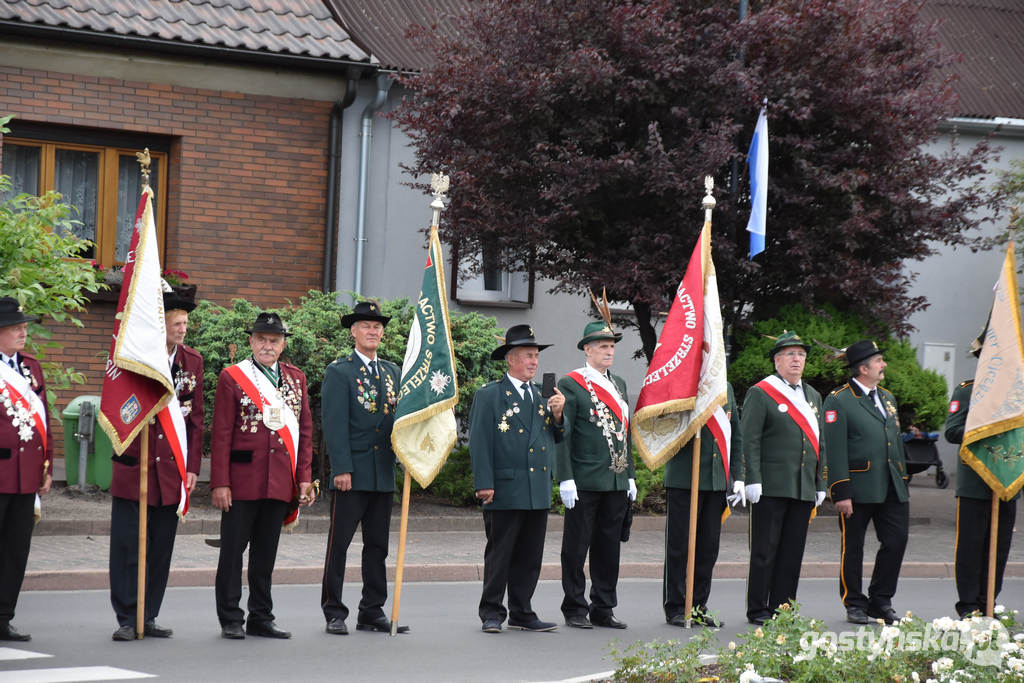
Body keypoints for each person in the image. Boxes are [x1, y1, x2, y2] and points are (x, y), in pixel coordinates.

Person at [211, 311, 315, 640]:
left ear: (283, 345)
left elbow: (306, 432)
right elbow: (222, 433)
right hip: (242, 480)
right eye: (261, 339)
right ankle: (230, 617)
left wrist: (303, 478)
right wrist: (220, 483)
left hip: (280, 480)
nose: (267, 346)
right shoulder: (233, 377)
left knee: (265, 554)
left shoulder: (296, 378)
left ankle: (261, 615)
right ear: (251, 341)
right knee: (232, 552)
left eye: (274, 341)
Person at [109, 291, 204, 641]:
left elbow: (196, 419)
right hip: (137, 466)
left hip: (171, 469)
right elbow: (119, 406)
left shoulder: (192, 361)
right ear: (160, 324)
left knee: (161, 547)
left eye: (185, 323)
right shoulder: (136, 358)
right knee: (128, 546)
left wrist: (192, 466)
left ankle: (148, 615)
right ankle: (126, 616)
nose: (183, 329)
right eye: (176, 323)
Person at [470, 324, 565, 633]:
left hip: (535, 489)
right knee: (500, 554)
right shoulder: (491, 395)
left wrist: (559, 415)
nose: (534, 361)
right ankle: (492, 612)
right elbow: (480, 441)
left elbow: (556, 438)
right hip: (505, 488)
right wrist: (484, 483)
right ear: (510, 359)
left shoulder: (541, 397)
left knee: (529, 556)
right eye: (528, 355)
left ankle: (522, 611)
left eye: (536, 355)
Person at [320, 300, 408, 635]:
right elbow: (334, 424)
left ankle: (372, 610)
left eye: (377, 327)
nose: (372, 331)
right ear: (353, 332)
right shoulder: (339, 371)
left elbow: (400, 419)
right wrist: (341, 467)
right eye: (365, 326)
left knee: (377, 547)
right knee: (338, 545)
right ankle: (334, 610)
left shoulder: (392, 372)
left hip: (382, 471)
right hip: (352, 473)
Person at [740, 330, 826, 626]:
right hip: (770, 486)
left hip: (802, 486)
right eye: (790, 354)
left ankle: (783, 608)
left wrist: (820, 483)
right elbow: (749, 439)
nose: (796, 359)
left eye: (801, 354)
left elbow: (820, 442)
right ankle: (758, 608)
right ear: (777, 360)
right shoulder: (761, 392)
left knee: (792, 552)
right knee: (764, 550)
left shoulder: (813, 396)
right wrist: (752, 478)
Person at [556, 321, 635, 630]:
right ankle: (575, 606)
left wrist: (630, 475)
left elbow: (624, 433)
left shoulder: (620, 385)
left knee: (608, 547)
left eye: (612, 345)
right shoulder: (571, 383)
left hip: (614, 479)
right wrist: (566, 477)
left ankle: (603, 606)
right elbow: (564, 432)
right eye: (602, 345)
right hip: (585, 480)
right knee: (576, 547)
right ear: (587, 349)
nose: (609, 350)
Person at [824, 339, 909, 625]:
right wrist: (840, 491)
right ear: (863, 368)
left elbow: (893, 441)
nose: (883, 365)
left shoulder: (887, 397)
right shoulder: (839, 399)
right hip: (857, 488)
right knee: (853, 547)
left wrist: (903, 477)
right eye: (878, 361)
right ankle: (854, 602)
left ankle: (881, 600)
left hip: (891, 486)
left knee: (896, 541)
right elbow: (834, 448)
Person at [943, 335, 1019, 618]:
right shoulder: (966, 391)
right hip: (975, 482)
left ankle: (988, 602)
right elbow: (951, 432)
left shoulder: (1015, 394)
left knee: (998, 550)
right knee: (971, 548)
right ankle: (968, 606)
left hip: (1007, 481)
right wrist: (984, 428)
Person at [663, 382, 742, 629]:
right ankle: (676, 606)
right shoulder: (682, 378)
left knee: (708, 548)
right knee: (680, 546)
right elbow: (665, 425)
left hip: (716, 478)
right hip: (685, 477)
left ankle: (697, 606)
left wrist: (737, 476)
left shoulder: (724, 385)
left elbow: (734, 433)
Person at [0, 298, 52, 642]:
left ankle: (3, 617)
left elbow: (44, 417)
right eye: (16, 327)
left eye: (24, 326)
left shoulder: (31, 368)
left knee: (16, 550)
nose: (24, 332)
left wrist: (47, 465)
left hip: (27, 475)